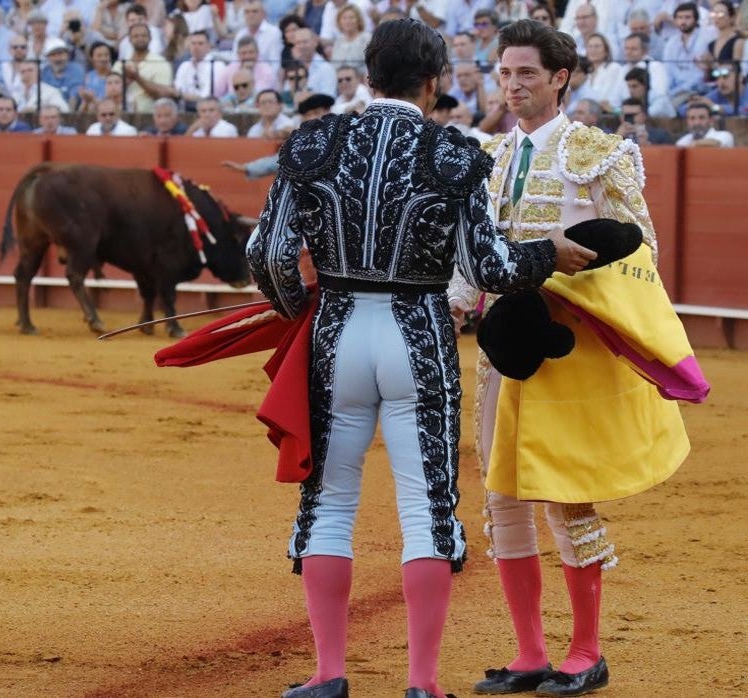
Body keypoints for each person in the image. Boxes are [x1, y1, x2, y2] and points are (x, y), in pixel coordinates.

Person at [247, 18, 596, 698]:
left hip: (339, 331)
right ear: (433, 83)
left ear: (367, 74)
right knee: (425, 507)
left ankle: (329, 675)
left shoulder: (312, 143)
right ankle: (422, 684)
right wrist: (548, 252)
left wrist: (297, 307)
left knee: (330, 502)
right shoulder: (454, 155)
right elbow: (489, 268)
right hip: (417, 334)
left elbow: (266, 253)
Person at [452, 19, 696, 697]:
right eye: (504, 72)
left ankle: (586, 651)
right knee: (503, 497)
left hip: (569, 352)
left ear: (561, 77)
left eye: (526, 72)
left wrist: (561, 298)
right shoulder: (490, 158)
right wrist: (448, 305)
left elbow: (639, 251)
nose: (513, 84)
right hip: (502, 351)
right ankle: (530, 654)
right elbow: (480, 254)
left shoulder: (597, 154)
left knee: (567, 496)